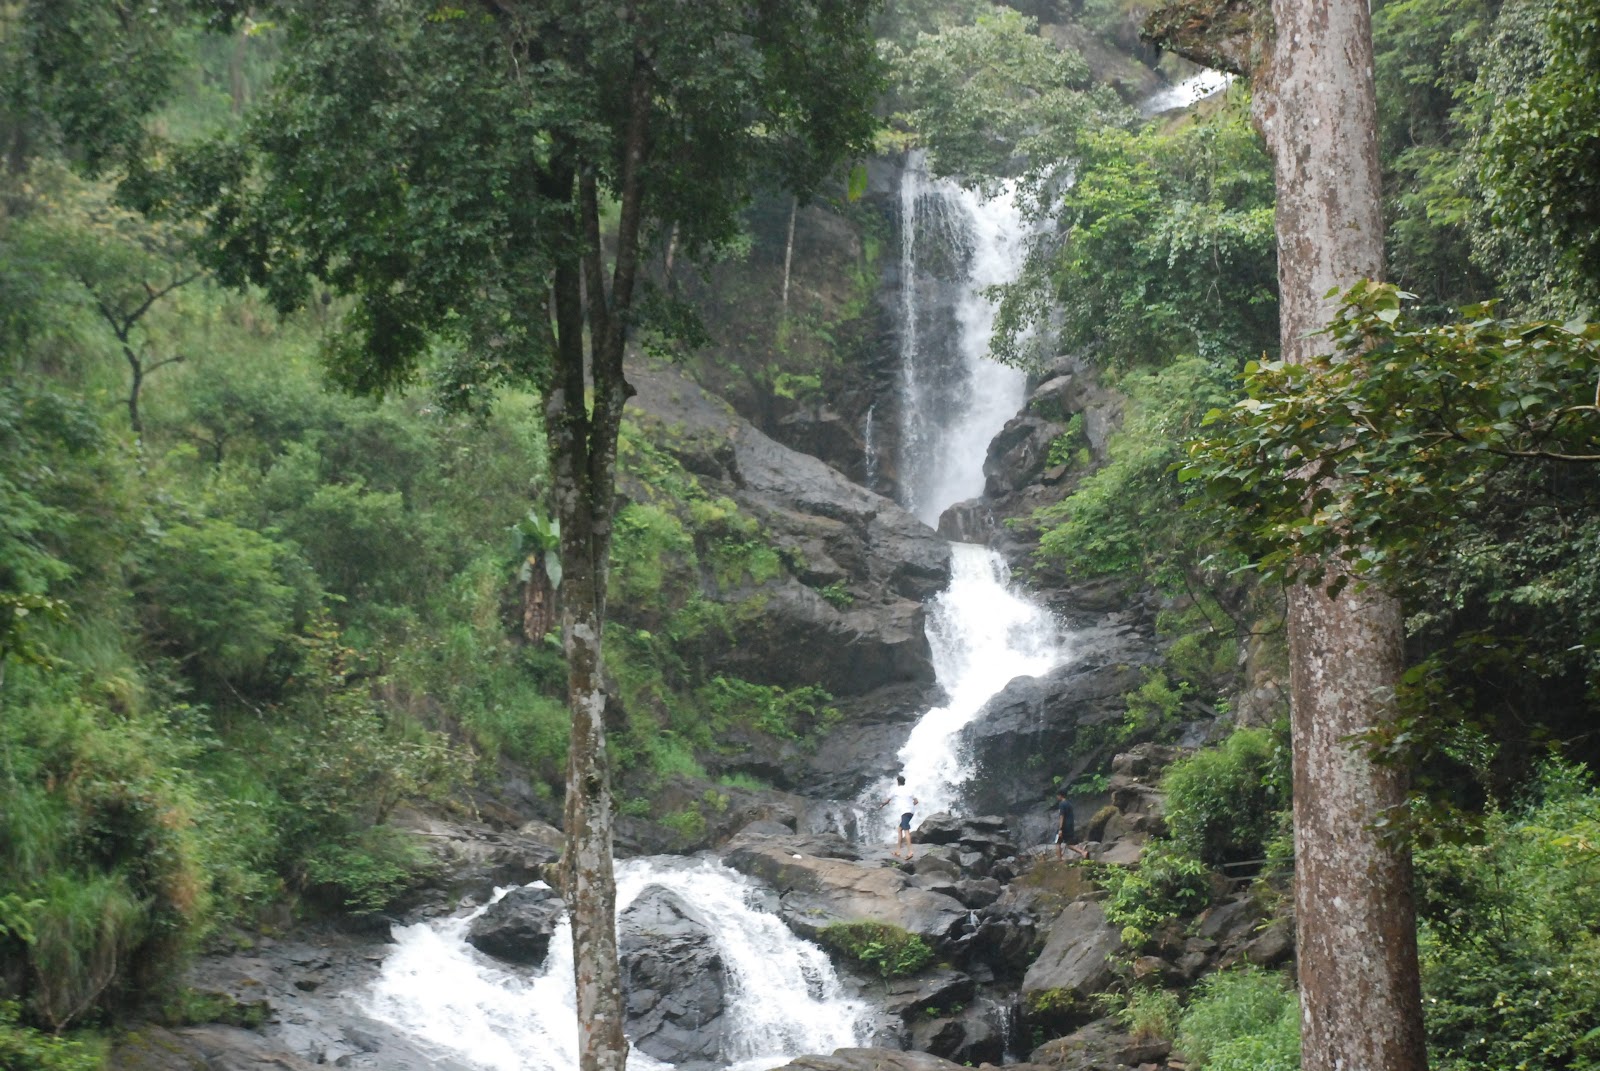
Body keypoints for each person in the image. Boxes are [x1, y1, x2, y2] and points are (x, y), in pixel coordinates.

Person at [879, 774, 918, 859]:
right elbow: (916, 801)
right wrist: (910, 805)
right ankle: (898, 851)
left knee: (906, 831)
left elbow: (887, 801)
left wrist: (882, 805)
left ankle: (910, 852)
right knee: (900, 829)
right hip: (911, 812)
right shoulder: (909, 790)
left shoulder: (896, 790)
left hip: (905, 812)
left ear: (898, 782)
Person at [1055, 789, 1086, 860]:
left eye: (1057, 795)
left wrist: (1060, 829)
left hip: (1064, 827)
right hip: (1070, 826)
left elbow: (1062, 816)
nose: (1057, 797)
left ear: (1060, 795)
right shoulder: (1069, 804)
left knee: (1057, 842)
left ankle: (1059, 860)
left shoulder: (1062, 804)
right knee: (1069, 844)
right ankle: (1083, 852)